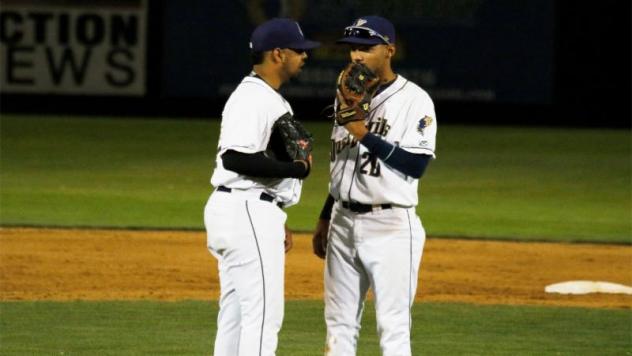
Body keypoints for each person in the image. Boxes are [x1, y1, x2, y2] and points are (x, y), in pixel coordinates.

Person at [312, 15, 437, 356]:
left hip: (391, 226)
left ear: (389, 50)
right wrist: (326, 214)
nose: (356, 56)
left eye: (366, 48)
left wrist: (363, 134)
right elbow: (343, 165)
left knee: (393, 328)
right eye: (352, 48)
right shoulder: (347, 95)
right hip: (342, 221)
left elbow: (416, 165)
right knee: (338, 326)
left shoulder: (415, 100)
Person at [204, 18, 319, 356]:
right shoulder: (253, 98)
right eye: (299, 51)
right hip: (247, 209)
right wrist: (294, 169)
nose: (305, 56)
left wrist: (277, 216)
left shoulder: (261, 96)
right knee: (264, 316)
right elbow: (235, 158)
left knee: (237, 316)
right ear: (278, 54)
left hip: (244, 209)